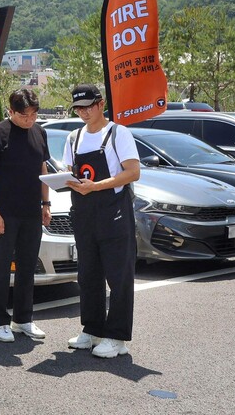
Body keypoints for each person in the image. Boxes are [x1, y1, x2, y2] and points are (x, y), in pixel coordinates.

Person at [62, 84, 140, 359]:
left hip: (114, 212)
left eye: (88, 107)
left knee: (119, 276)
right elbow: (69, 171)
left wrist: (96, 186)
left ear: (101, 103)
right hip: (84, 213)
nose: (84, 113)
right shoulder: (73, 137)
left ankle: (117, 337)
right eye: (78, 108)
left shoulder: (118, 133)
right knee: (88, 275)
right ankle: (92, 329)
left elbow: (133, 172)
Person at [0, 88, 51, 343]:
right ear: (11, 111)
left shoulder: (40, 132)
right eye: (24, 115)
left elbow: (42, 168)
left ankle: (23, 319)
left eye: (33, 115)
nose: (29, 120)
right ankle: (0, 321)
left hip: (31, 211)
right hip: (4, 212)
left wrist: (46, 203)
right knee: (0, 267)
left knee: (27, 267)